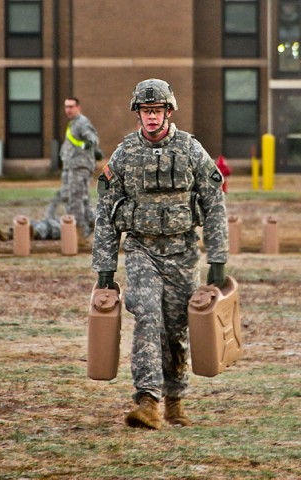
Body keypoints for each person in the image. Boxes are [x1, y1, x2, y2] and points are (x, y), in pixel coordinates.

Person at [92, 79, 229, 430]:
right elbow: (106, 211)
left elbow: (214, 203)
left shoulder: (190, 150)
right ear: (138, 113)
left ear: (168, 111)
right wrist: (105, 269)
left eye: (157, 110)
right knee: (148, 316)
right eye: (145, 110)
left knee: (175, 330)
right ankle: (147, 400)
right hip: (141, 251)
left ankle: (175, 400)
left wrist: (218, 258)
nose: (151, 117)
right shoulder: (123, 155)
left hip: (182, 252)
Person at [60, 97, 101, 244]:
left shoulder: (82, 123)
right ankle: (96, 225)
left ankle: (79, 235)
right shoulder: (73, 123)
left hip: (80, 167)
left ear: (78, 108)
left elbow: (92, 139)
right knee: (80, 199)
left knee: (75, 200)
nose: (68, 110)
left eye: (71, 106)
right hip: (72, 166)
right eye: (66, 107)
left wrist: (87, 146)